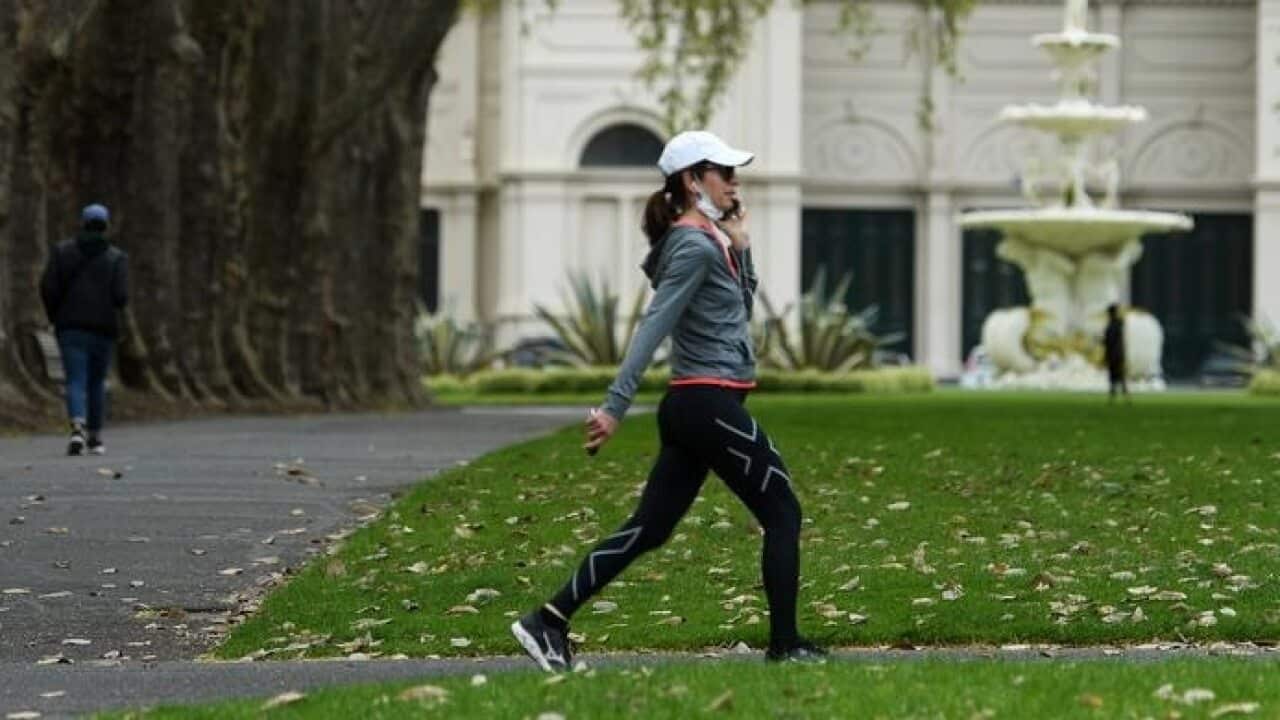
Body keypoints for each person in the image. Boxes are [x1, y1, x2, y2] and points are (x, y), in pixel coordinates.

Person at [510, 131, 825, 671]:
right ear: (692, 181)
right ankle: (785, 645)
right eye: (724, 173)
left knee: (649, 529)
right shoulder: (692, 246)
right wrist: (614, 405)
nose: (734, 182)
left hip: (696, 407)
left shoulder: (710, 243)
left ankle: (548, 621)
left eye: (733, 173)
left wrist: (742, 251)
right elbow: (654, 326)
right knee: (783, 511)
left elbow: (737, 314)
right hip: (705, 404)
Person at [39, 204, 129, 455]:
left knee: (75, 379)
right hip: (103, 328)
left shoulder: (62, 252)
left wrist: (56, 315)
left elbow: (48, 287)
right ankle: (96, 436)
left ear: (82, 223)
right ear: (106, 225)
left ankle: (77, 426)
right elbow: (121, 297)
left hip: (71, 327)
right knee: (97, 382)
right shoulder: (116, 258)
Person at [1103, 303, 1127, 401]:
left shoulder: (1113, 325)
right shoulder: (1118, 324)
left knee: (1116, 375)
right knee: (1118, 375)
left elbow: (1110, 341)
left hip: (1114, 353)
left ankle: (1117, 395)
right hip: (1117, 353)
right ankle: (1119, 395)